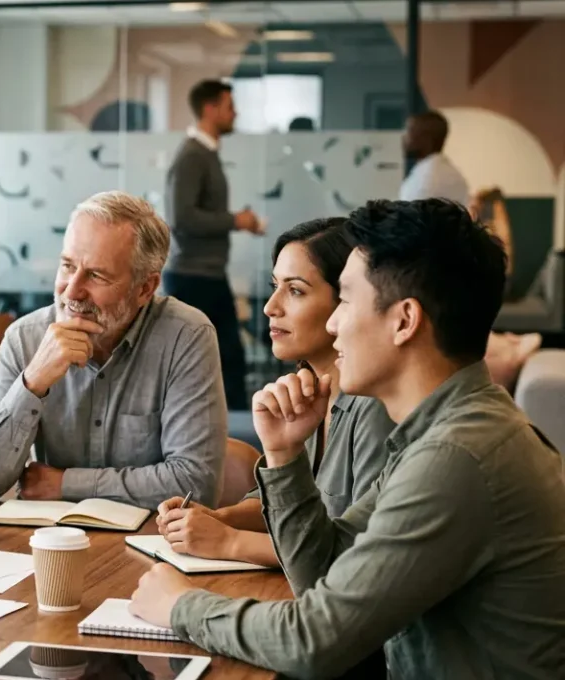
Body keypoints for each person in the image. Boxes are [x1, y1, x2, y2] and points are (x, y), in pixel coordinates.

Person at [131, 198, 565, 678]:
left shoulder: (456, 456)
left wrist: (181, 606)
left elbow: (316, 641)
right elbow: (327, 571)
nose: (335, 323)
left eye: (347, 300)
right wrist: (284, 455)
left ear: (404, 320)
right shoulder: (439, 432)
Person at [0, 191, 226, 508]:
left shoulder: (186, 336)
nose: (71, 290)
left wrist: (65, 484)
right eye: (68, 266)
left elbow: (196, 485)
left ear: (145, 288)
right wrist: (33, 381)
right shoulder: (25, 338)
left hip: (150, 544)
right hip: (48, 542)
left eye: (96, 275)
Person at [155, 218, 393, 567]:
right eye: (274, 286)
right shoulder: (306, 387)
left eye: (295, 290)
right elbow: (283, 504)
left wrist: (229, 542)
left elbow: (358, 555)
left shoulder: (375, 407)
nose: (270, 307)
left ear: (347, 301)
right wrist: (219, 519)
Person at [164, 79, 265, 410]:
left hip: (206, 273)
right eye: (229, 106)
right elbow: (182, 217)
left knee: (227, 360)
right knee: (220, 361)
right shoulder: (192, 156)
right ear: (210, 109)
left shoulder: (205, 154)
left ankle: (234, 440)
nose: (235, 113)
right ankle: (233, 442)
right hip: (195, 276)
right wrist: (236, 220)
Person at [399, 110, 469, 204]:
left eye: (409, 131)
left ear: (425, 139)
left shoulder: (426, 179)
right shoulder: (453, 174)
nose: (403, 138)